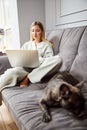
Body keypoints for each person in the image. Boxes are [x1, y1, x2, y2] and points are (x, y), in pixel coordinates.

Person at [0, 21, 62, 90]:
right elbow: (19, 57)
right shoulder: (27, 45)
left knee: (58, 59)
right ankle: (25, 75)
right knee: (11, 72)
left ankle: (28, 77)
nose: (35, 34)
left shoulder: (47, 45)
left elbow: (49, 60)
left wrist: (38, 60)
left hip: (39, 69)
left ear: (42, 32)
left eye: (37, 31)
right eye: (33, 31)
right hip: (24, 69)